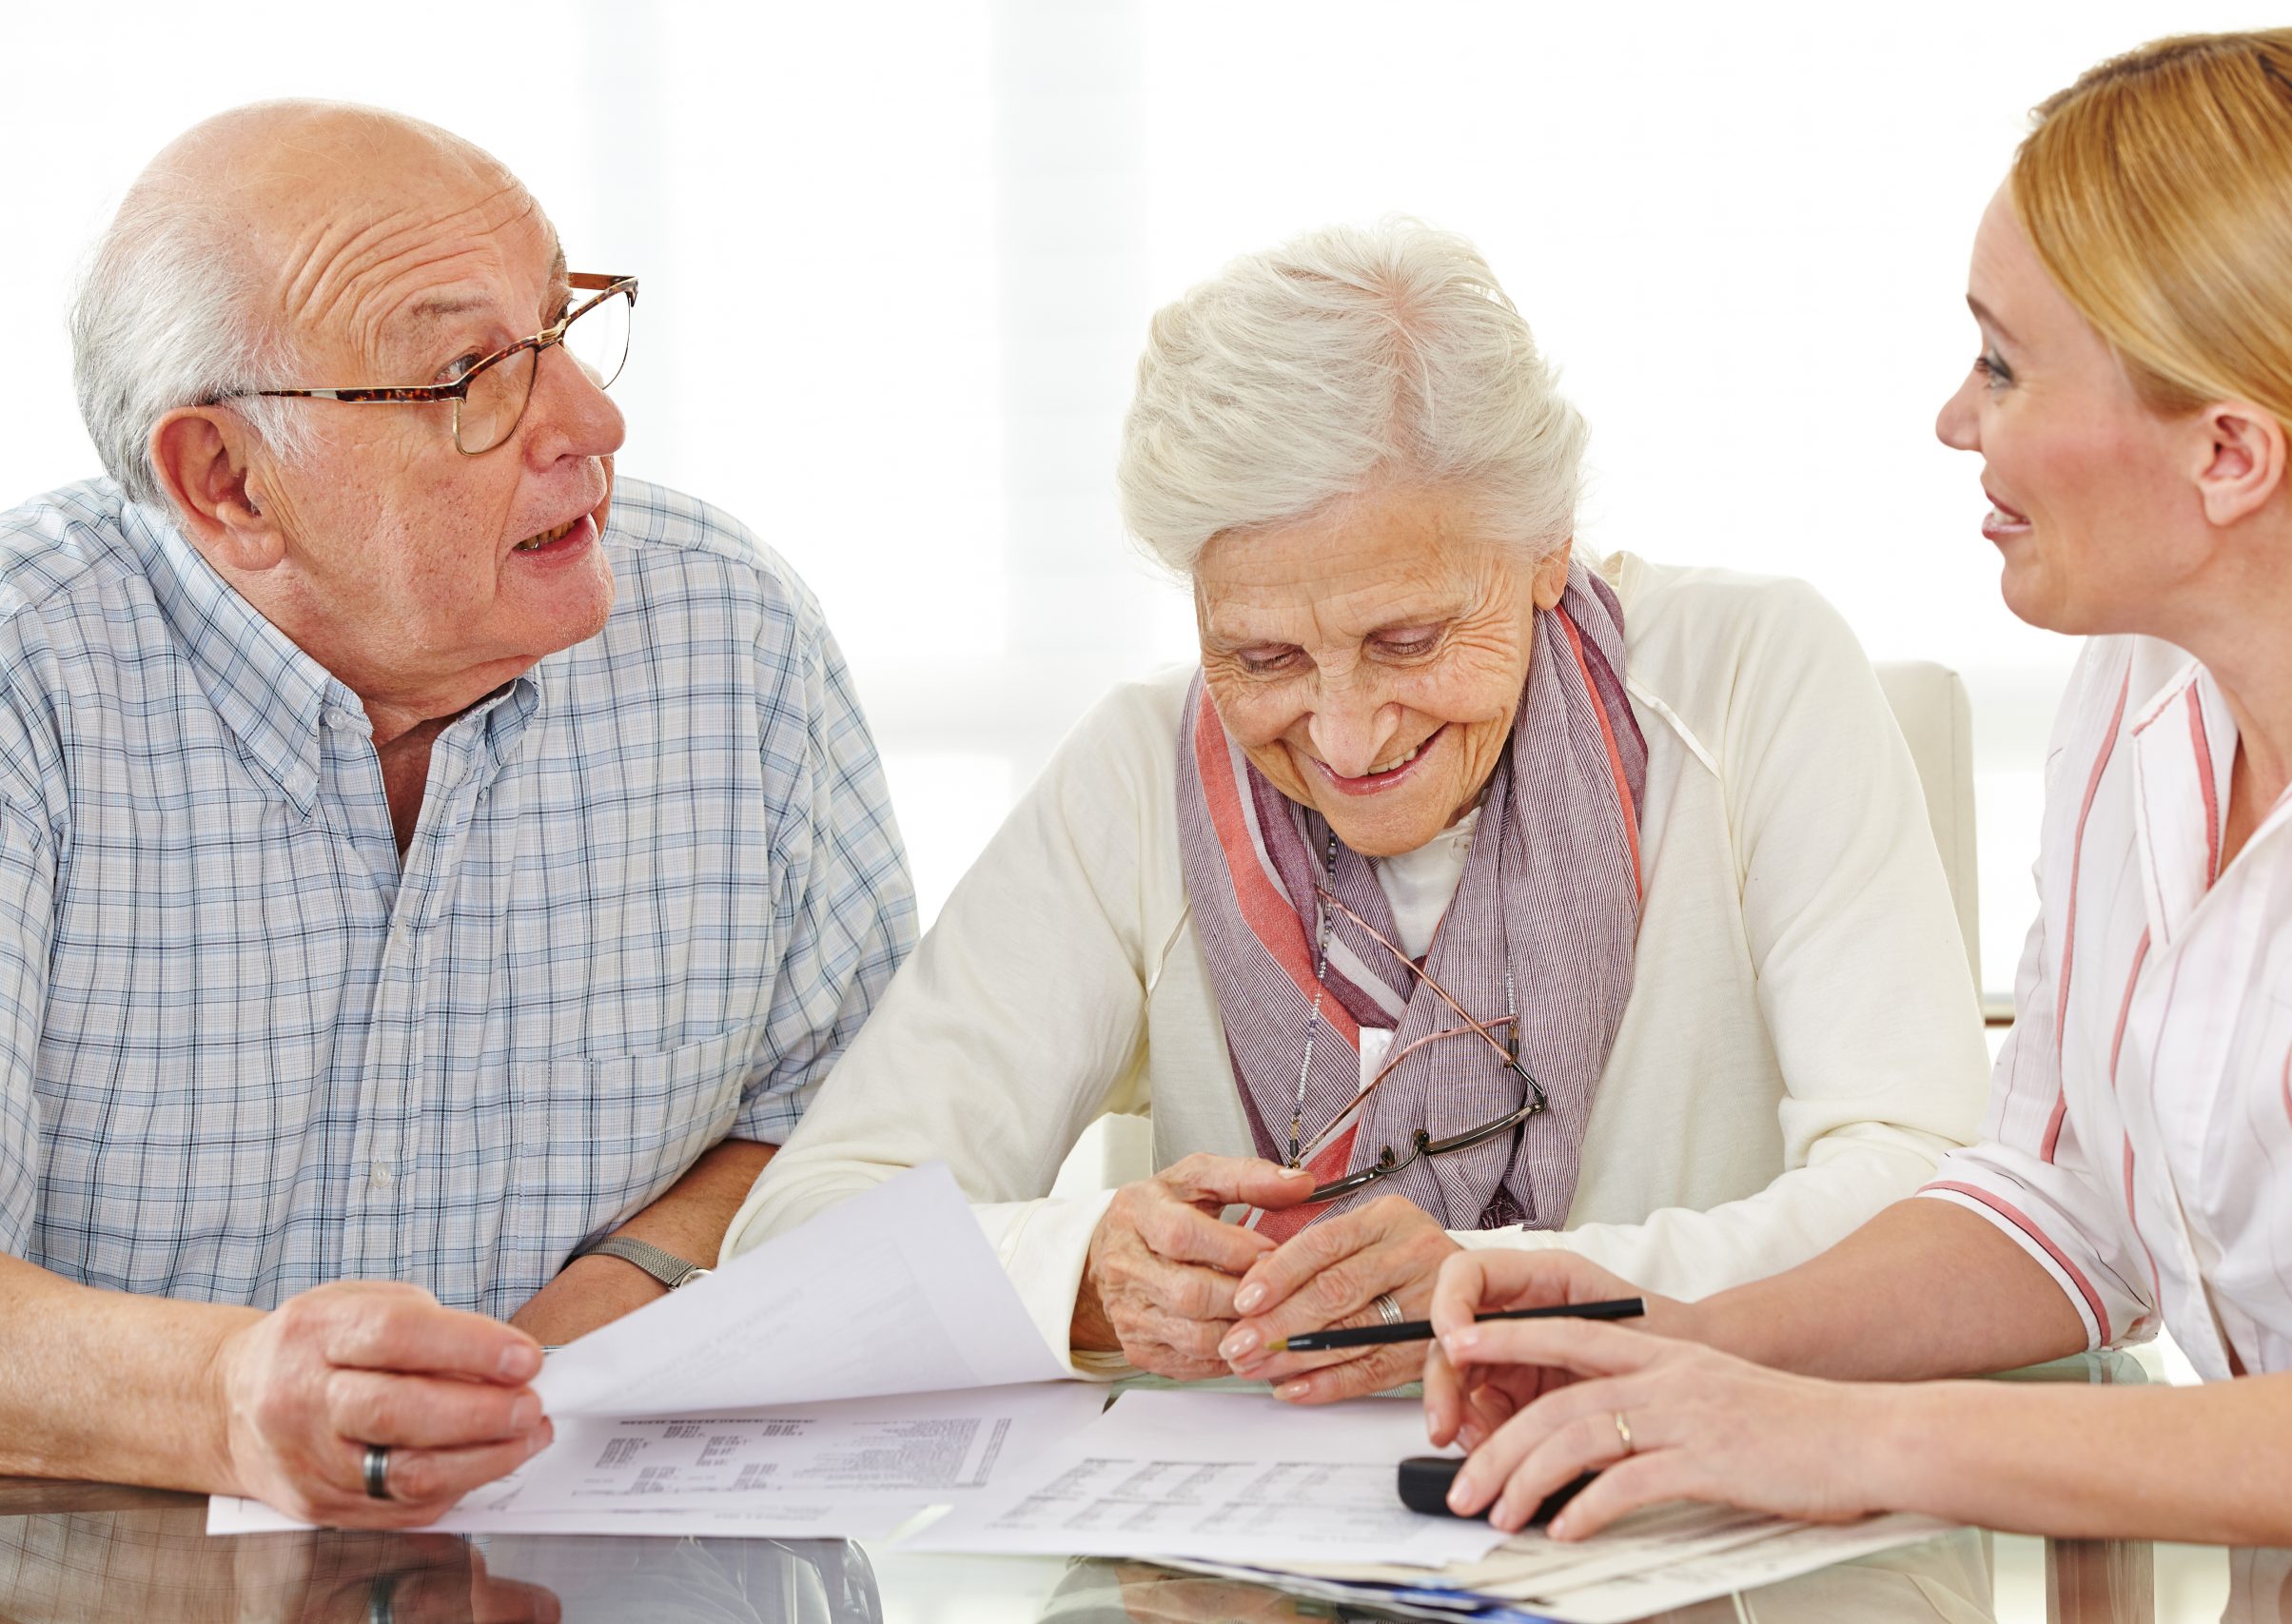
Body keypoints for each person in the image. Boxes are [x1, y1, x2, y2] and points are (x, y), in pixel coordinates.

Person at [1420, 27, 2292, 1563]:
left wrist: (1850, 1440)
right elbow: (2065, 1200)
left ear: (2230, 452)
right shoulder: (2150, 682)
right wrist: (1688, 1341)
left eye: (2004, 364)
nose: (1956, 421)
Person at [726, 220, 1989, 1399]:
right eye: (1264, 658)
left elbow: (1930, 1202)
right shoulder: (1135, 769)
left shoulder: (1754, 677)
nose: (1342, 734)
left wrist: (1515, 1296)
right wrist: (1079, 1275)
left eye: (1408, 638)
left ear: (1546, 548)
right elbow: (796, 1238)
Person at [0, 103, 914, 1526]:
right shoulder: (27, 680)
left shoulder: (729, 632)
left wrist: (602, 1310)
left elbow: (858, 1117)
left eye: (563, 327)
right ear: (227, 482)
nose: (593, 425)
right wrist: (232, 1399)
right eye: (469, 373)